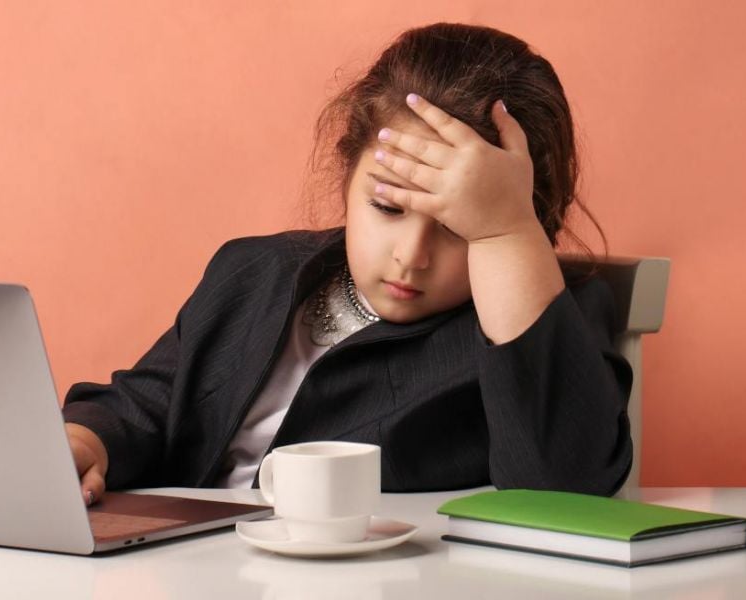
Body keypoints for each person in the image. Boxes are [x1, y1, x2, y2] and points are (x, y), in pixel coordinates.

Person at [62, 22, 633, 506]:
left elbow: (562, 490)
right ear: (347, 173)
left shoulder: (544, 326)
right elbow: (149, 402)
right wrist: (89, 441)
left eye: (460, 227)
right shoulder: (252, 271)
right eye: (386, 206)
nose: (411, 255)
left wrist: (505, 235)